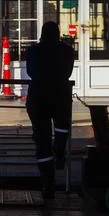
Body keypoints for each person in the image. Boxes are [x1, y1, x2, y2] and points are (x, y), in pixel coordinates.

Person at [26, 21, 75, 198]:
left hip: (38, 98)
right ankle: (60, 151)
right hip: (60, 97)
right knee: (62, 128)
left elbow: (32, 73)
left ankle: (48, 183)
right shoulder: (68, 51)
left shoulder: (33, 51)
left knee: (42, 141)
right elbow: (67, 73)